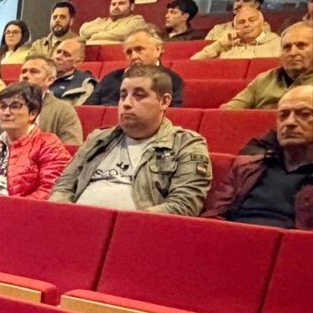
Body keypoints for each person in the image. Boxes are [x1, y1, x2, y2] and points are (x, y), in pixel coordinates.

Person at [50, 65, 211, 214]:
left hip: (135, 234)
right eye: (123, 95)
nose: (126, 103)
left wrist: (125, 223)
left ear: (164, 101)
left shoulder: (187, 145)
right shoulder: (98, 138)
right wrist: (64, 214)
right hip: (74, 224)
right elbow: (63, 185)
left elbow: (184, 205)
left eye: (139, 95)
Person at [204, 86, 313, 228]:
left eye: (304, 114)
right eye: (283, 115)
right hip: (231, 241)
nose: (289, 122)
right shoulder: (247, 168)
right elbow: (213, 218)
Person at [0, 82, 71, 198]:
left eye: (15, 106)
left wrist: (13, 210)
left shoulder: (48, 144)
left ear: (32, 113)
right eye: (2, 106)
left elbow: (50, 190)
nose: (6, 113)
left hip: (21, 212)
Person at [84, 27, 184, 107]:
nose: (134, 56)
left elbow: (171, 114)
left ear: (157, 50)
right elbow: (87, 110)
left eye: (139, 49)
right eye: (129, 52)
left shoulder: (172, 79)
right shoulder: (111, 77)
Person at [224, 23, 313, 109]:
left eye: (301, 46)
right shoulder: (263, 79)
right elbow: (231, 109)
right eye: (287, 47)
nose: (293, 52)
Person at [12, 55, 84, 145]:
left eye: (34, 72)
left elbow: (71, 146)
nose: (25, 76)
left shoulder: (64, 110)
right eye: (23, 72)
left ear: (49, 80)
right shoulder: (6, 106)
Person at [192, 6, 281, 59]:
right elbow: (193, 64)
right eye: (241, 22)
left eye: (252, 21)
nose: (246, 25)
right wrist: (219, 45)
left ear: (262, 24)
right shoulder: (226, 44)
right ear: (234, 27)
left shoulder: (279, 43)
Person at [78, 0, 146, 45]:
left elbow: (120, 34)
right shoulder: (101, 21)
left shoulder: (137, 21)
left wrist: (93, 36)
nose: (116, 7)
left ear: (132, 7)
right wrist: (107, 29)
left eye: (121, 3)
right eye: (113, 4)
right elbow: (83, 31)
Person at [50, 38, 97, 105]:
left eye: (66, 55)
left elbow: (77, 112)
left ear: (77, 62)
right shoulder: (38, 74)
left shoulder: (86, 84)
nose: (58, 57)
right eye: (58, 52)